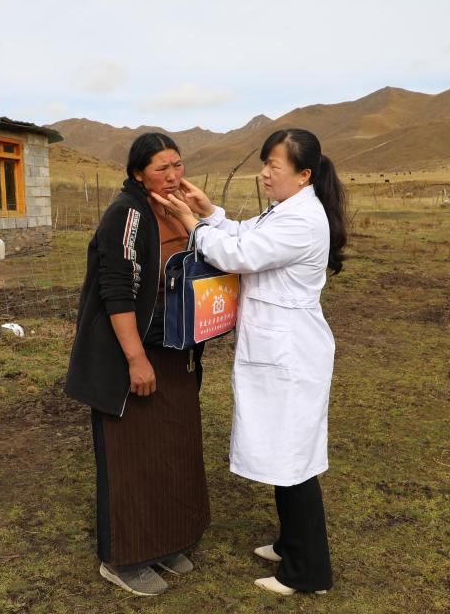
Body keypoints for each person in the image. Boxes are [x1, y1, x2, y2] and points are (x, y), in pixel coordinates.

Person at [150, 128, 347, 596]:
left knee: (293, 459)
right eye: (264, 165)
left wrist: (192, 223)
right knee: (286, 452)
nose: (264, 174)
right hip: (279, 348)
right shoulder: (287, 209)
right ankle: (290, 542)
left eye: (273, 166)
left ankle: (307, 572)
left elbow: (239, 254)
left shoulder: (303, 220)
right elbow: (246, 233)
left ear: (303, 174)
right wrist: (209, 212)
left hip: (291, 353)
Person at [65, 132, 210, 597]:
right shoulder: (127, 214)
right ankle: (124, 559)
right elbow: (117, 291)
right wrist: (135, 359)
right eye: (161, 168)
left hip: (173, 352)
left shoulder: (175, 209)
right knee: (131, 457)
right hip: (132, 356)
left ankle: (165, 542)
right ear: (137, 174)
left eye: (177, 165)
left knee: (171, 450)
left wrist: (201, 217)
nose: (173, 175)